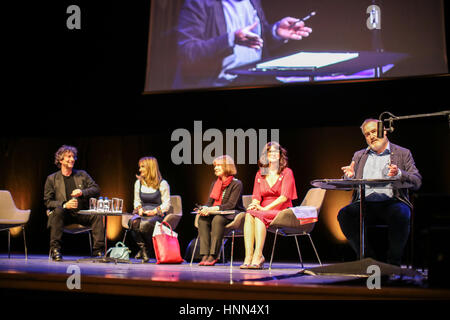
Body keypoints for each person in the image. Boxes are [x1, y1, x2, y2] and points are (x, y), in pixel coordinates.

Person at [337, 119, 422, 266]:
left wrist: (400, 173)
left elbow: (417, 181)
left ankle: (393, 264)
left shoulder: (402, 153)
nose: (371, 136)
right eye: (367, 134)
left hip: (392, 203)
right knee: (345, 214)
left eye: (374, 131)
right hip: (365, 204)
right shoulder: (359, 156)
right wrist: (348, 177)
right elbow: (346, 186)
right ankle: (369, 260)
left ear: (385, 130)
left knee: (401, 213)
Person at [174, 0, 313, 89]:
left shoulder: (252, 2)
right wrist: (230, 39)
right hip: (219, 85)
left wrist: (275, 32)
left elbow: (255, 42)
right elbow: (188, 53)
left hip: (254, 79)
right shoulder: (199, 3)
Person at [241, 141, 298, 269]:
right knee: (249, 214)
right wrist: (255, 205)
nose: (272, 154)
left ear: (280, 155)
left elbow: (284, 197)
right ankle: (248, 256)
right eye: (269, 152)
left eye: (275, 152)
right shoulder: (260, 173)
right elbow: (256, 196)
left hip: (282, 209)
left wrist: (264, 208)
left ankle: (258, 255)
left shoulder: (287, 172)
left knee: (259, 214)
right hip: (263, 209)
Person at [44, 145, 104, 261]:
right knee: (58, 211)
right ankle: (55, 250)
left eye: (73, 157)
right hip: (64, 215)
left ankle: (98, 251)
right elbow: (48, 201)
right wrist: (65, 205)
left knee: (97, 214)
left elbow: (96, 189)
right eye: (69, 156)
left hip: (81, 213)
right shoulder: (52, 179)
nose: (72, 159)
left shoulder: (82, 175)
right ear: (61, 160)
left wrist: (82, 192)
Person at [196, 155, 245, 266]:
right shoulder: (215, 183)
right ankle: (205, 254)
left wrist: (212, 209)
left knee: (218, 220)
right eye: (215, 166)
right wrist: (204, 208)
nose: (215, 168)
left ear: (227, 167)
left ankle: (214, 255)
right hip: (216, 212)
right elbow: (209, 202)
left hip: (232, 213)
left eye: (219, 166)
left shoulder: (237, 184)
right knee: (202, 219)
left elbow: (231, 205)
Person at [130, 157, 171, 262]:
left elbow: (167, 204)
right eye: (140, 167)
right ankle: (144, 250)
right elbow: (136, 201)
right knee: (133, 222)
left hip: (156, 214)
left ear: (150, 168)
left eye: (142, 167)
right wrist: (139, 209)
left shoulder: (162, 183)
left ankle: (147, 250)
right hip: (142, 213)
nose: (140, 170)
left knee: (144, 226)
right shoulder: (138, 183)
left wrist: (154, 211)